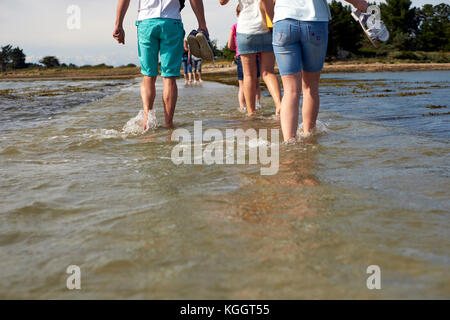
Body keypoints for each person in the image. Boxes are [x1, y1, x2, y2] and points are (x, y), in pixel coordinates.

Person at [272, 0, 368, 141]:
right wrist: (358, 2)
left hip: (283, 22)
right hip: (314, 21)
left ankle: (289, 142)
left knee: (290, 90)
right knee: (310, 87)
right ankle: (308, 136)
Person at [113, 0, 209, 130]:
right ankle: (168, 124)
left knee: (148, 75)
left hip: (146, 22)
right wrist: (202, 24)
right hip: (171, 21)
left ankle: (147, 120)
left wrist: (118, 24)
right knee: (169, 78)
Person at [220, 0, 281, 116]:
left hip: (245, 30)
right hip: (266, 28)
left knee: (248, 76)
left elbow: (222, 2)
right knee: (268, 72)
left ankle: (251, 112)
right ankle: (279, 105)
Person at [228, 5, 262, 113]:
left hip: (240, 55)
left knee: (242, 84)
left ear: (237, 14)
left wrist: (237, 49)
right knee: (256, 83)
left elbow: (230, 46)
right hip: (255, 55)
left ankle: (242, 107)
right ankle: (257, 105)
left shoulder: (234, 27)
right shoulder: (253, 25)